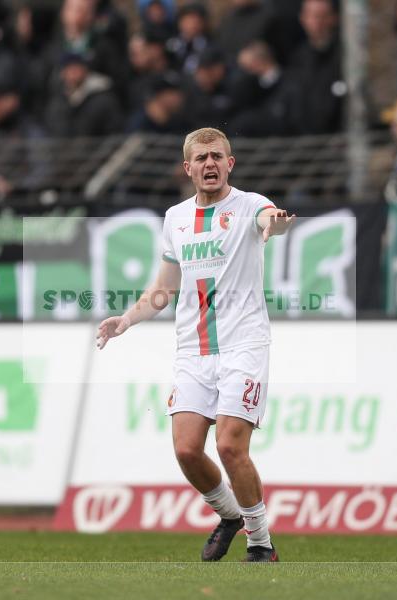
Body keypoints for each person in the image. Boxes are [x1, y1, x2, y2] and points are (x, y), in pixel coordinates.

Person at [96, 127, 295, 563]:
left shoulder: (250, 205)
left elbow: (269, 221)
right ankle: (228, 515)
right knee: (186, 449)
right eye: (201, 158)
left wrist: (274, 224)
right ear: (187, 168)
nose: (210, 164)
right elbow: (166, 286)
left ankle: (260, 543)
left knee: (228, 446)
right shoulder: (176, 218)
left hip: (244, 344)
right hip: (193, 348)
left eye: (217, 156)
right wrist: (125, 320)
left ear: (230, 163)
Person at [289, 0, 344, 134]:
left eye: (321, 16)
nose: (317, 23)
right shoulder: (299, 56)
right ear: (302, 19)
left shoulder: (342, 55)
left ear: (333, 19)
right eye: (312, 16)